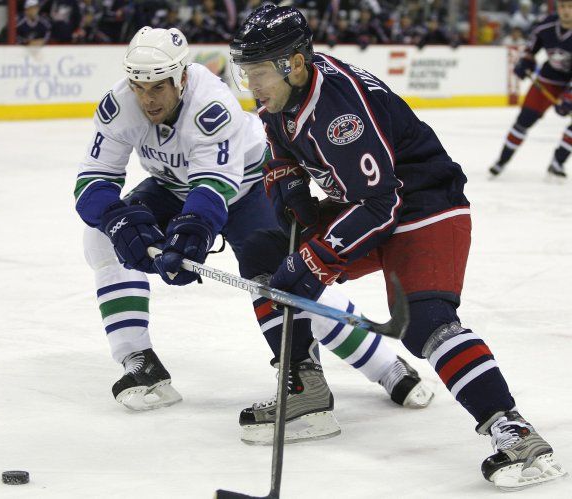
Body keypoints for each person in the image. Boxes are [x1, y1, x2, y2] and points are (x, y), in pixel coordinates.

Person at [230, 4, 566, 489]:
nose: (253, 87)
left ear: (295, 64)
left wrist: (316, 258)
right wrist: (286, 185)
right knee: (263, 251)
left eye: (258, 73)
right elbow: (281, 150)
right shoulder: (281, 98)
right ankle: (304, 388)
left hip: (424, 206)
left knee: (425, 322)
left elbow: (382, 203)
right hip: (367, 203)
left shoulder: (339, 110)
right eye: (248, 74)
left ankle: (513, 430)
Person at [74, 26, 433, 417]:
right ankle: (140, 363)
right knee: (101, 239)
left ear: (180, 76)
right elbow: (93, 178)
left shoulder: (211, 103)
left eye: (157, 87)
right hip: (174, 186)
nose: (146, 99)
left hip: (246, 187)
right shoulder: (120, 102)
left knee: (283, 277)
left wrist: (189, 236)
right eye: (139, 86)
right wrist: (117, 220)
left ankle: (384, 366)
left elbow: (214, 186)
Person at [490, 0, 572, 179]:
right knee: (523, 121)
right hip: (548, 80)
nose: (566, 11)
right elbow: (530, 49)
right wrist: (525, 62)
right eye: (563, 7)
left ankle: (557, 163)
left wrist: (568, 98)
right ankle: (501, 161)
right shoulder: (546, 26)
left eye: (570, 7)